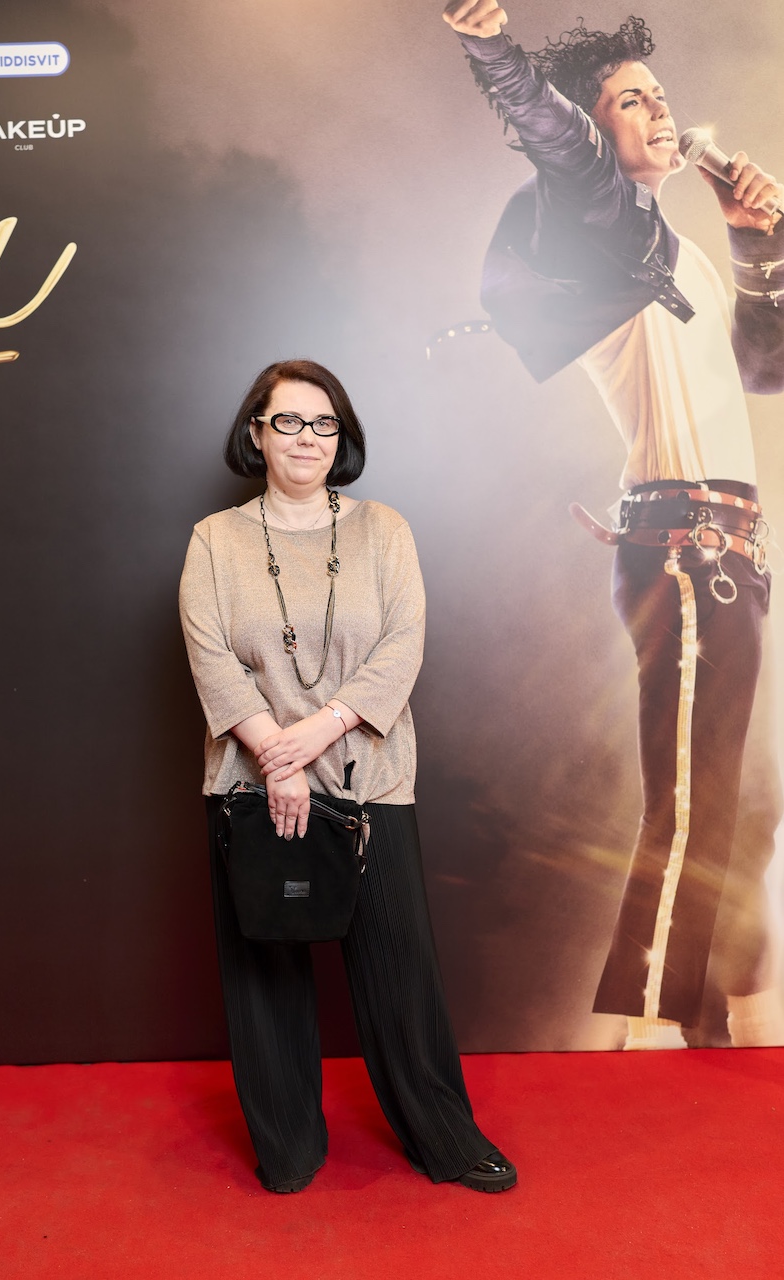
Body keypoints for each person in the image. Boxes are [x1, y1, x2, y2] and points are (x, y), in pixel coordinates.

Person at [442, 3, 784, 1048]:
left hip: (726, 550)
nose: (658, 111)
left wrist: (753, 238)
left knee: (721, 798)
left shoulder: (675, 253)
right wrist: (496, 55)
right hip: (683, 546)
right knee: (688, 799)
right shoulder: (610, 229)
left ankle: (700, 1014)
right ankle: (649, 1028)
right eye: (630, 100)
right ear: (597, 129)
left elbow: (766, 367)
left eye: (660, 95)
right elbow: (559, 142)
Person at [179, 358, 516, 1191]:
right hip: (252, 788)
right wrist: (275, 756)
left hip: (370, 780)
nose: (308, 438)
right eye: (288, 421)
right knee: (265, 970)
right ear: (256, 432)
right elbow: (211, 656)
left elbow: (404, 643)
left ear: (343, 437)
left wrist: (316, 733)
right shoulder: (216, 540)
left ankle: (444, 1136)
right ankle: (288, 1145)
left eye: (324, 423)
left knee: (400, 971)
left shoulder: (384, 531)